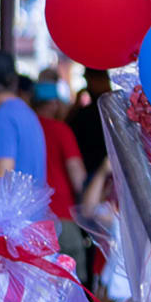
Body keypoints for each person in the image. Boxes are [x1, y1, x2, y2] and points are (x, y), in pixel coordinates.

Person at [34, 76, 88, 257]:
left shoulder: (28, 128)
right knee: (73, 279)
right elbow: (77, 176)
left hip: (32, 221)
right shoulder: (61, 130)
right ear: (54, 104)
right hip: (62, 216)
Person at [0, 51, 45, 183]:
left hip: (15, 204)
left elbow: (1, 183)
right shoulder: (25, 111)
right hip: (32, 204)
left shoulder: (4, 118)